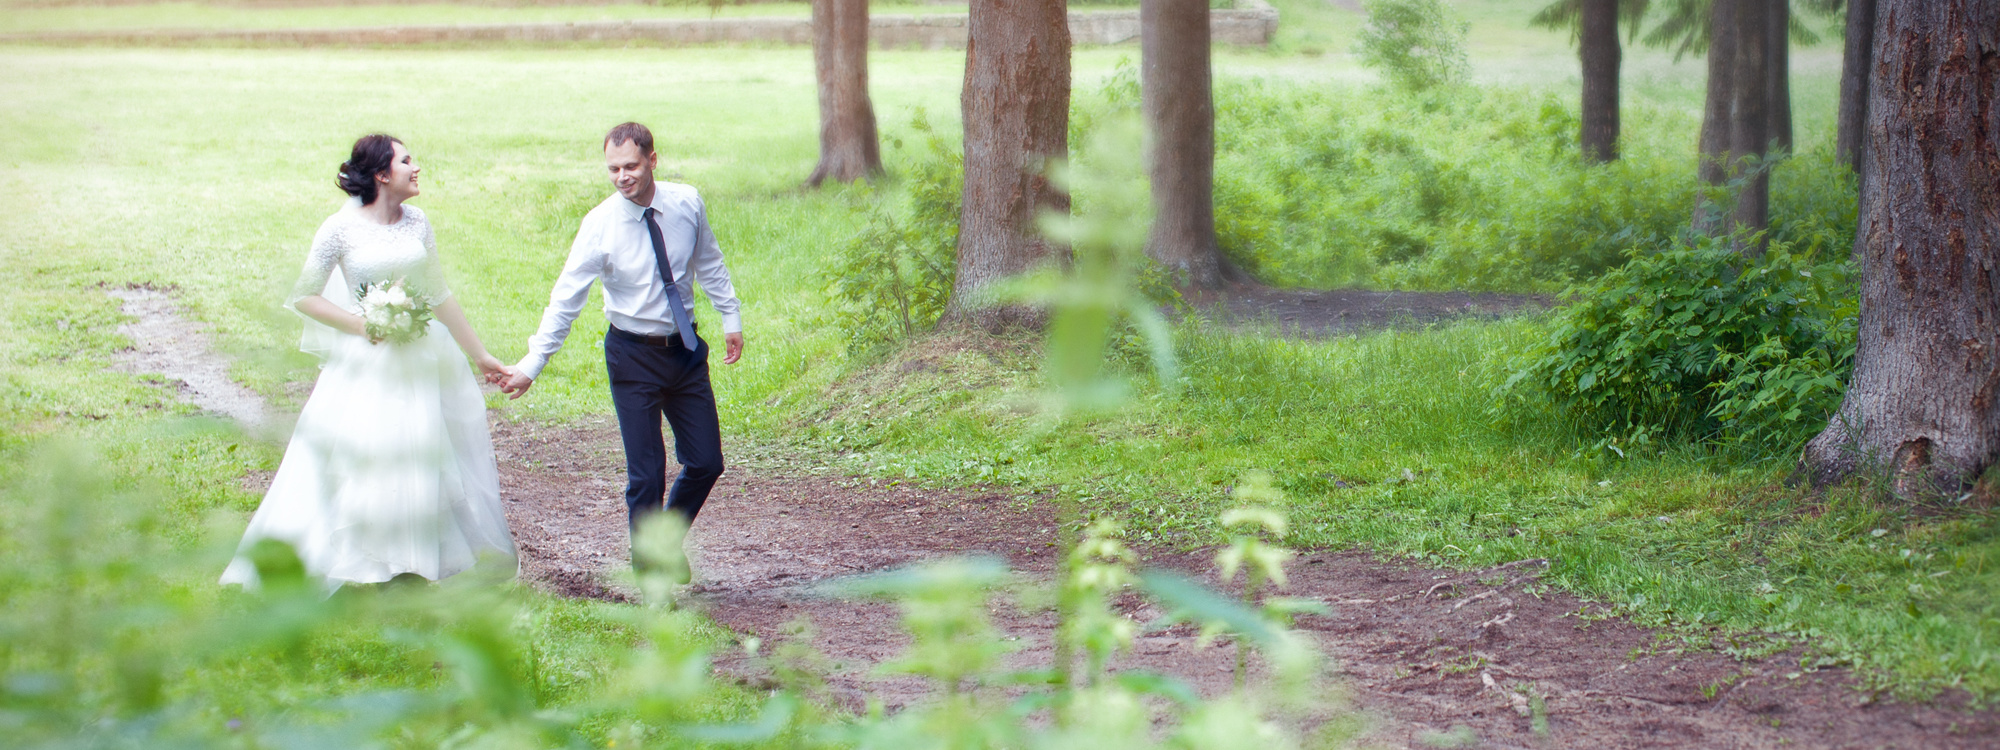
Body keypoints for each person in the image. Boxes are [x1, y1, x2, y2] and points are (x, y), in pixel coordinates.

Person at [221, 134, 519, 593]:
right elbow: (303, 295)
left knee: (422, 452)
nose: (416, 167)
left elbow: (437, 291)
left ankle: (410, 565)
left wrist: (480, 355)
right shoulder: (339, 230)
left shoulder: (417, 221)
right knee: (364, 456)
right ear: (382, 174)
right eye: (406, 161)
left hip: (421, 356)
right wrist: (364, 325)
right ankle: (357, 559)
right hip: (368, 362)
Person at [499, 122, 743, 582]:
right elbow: (565, 299)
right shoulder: (599, 225)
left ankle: (665, 541)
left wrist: (730, 317)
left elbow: (708, 260)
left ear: (653, 159)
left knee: (707, 462)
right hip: (632, 356)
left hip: (686, 350)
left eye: (630, 165)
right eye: (612, 168)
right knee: (647, 474)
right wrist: (533, 363)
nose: (621, 177)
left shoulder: (686, 202)